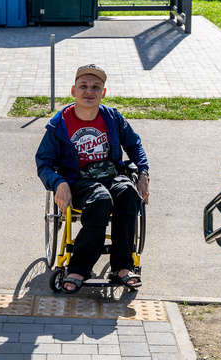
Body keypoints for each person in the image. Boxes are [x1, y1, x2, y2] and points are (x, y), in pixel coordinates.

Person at [36, 64, 150, 294]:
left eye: (96, 87)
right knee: (100, 199)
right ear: (73, 91)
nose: (89, 91)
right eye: (83, 86)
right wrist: (59, 182)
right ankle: (78, 268)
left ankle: (122, 266)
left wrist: (143, 173)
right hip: (78, 180)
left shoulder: (113, 118)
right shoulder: (59, 125)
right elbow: (44, 162)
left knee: (128, 194)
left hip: (110, 173)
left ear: (103, 93)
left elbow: (134, 144)